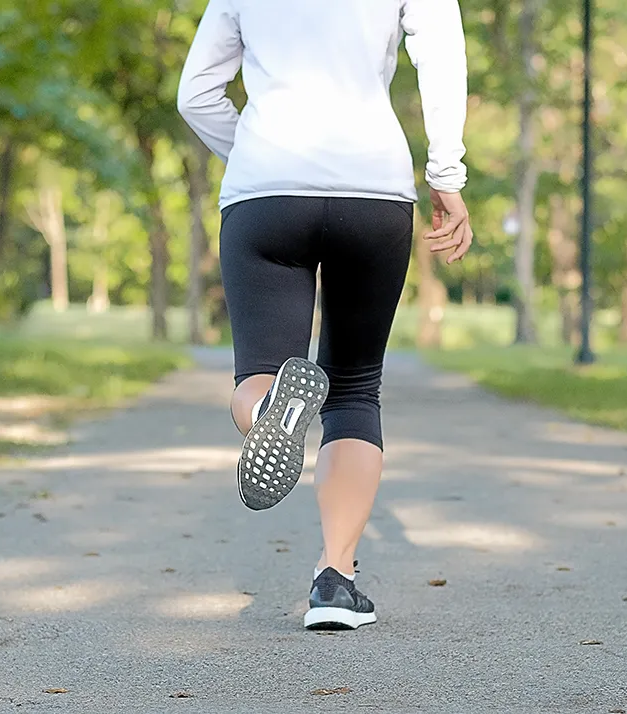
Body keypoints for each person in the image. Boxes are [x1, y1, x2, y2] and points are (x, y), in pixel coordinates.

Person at [177, 0, 473, 630]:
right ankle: (335, 581)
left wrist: (259, 156)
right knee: (356, 388)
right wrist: (446, 171)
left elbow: (196, 94)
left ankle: (268, 413)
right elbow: (441, 51)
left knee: (257, 371)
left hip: (266, 191)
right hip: (374, 190)